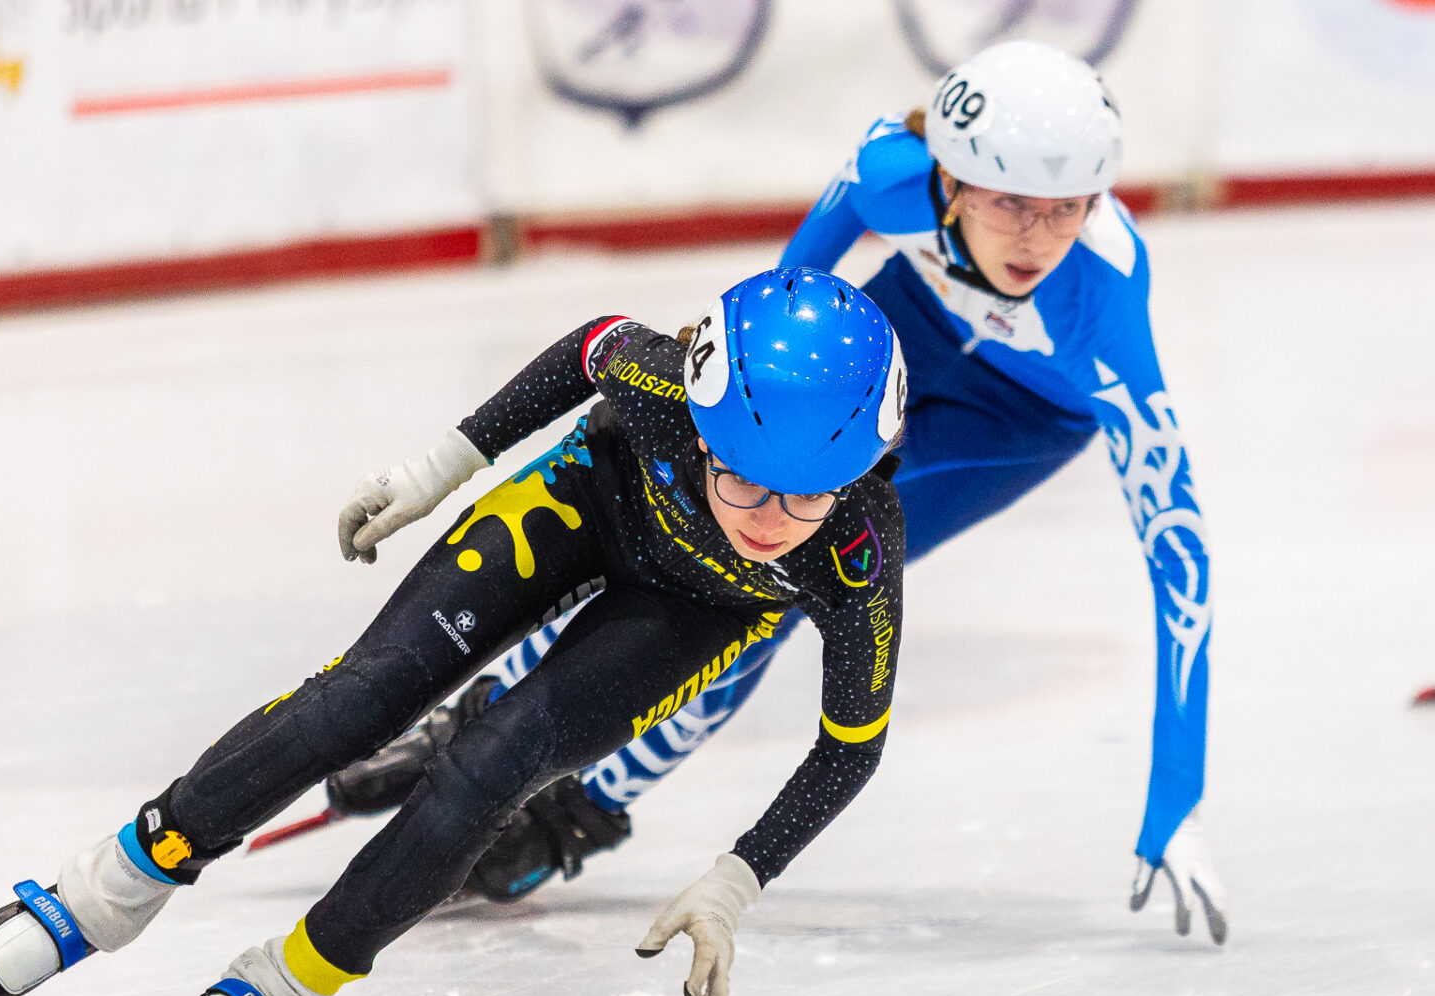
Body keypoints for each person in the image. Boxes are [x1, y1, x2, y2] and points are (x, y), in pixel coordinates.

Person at [0, 268, 910, 996]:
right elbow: (587, 345)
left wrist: (739, 878)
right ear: (705, 419)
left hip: (696, 614)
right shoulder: (662, 385)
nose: (768, 520)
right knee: (361, 700)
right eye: (741, 475)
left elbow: (851, 744)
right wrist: (439, 468)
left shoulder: (858, 550)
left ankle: (292, 985)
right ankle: (109, 888)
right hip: (591, 499)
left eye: (807, 496)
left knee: (494, 768)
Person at [329, 39, 1225, 942]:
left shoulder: (1102, 305)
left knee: (778, 584)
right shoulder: (888, 175)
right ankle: (490, 706)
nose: (1036, 238)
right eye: (1009, 204)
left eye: (1067, 208)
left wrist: (1176, 800)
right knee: (690, 515)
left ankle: (582, 809)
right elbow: (781, 301)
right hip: (900, 342)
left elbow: (1178, 548)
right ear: (950, 183)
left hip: (1014, 423)